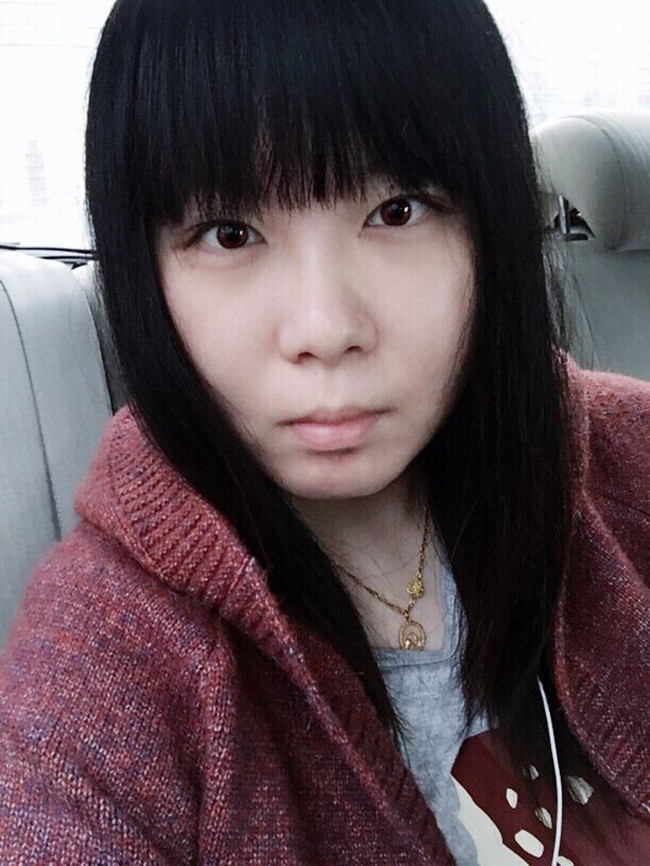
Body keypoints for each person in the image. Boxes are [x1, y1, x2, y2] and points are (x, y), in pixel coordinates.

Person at [0, 0, 647, 863]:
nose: (325, 327)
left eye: (398, 211)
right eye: (231, 233)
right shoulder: (101, 660)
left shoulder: (629, 459)